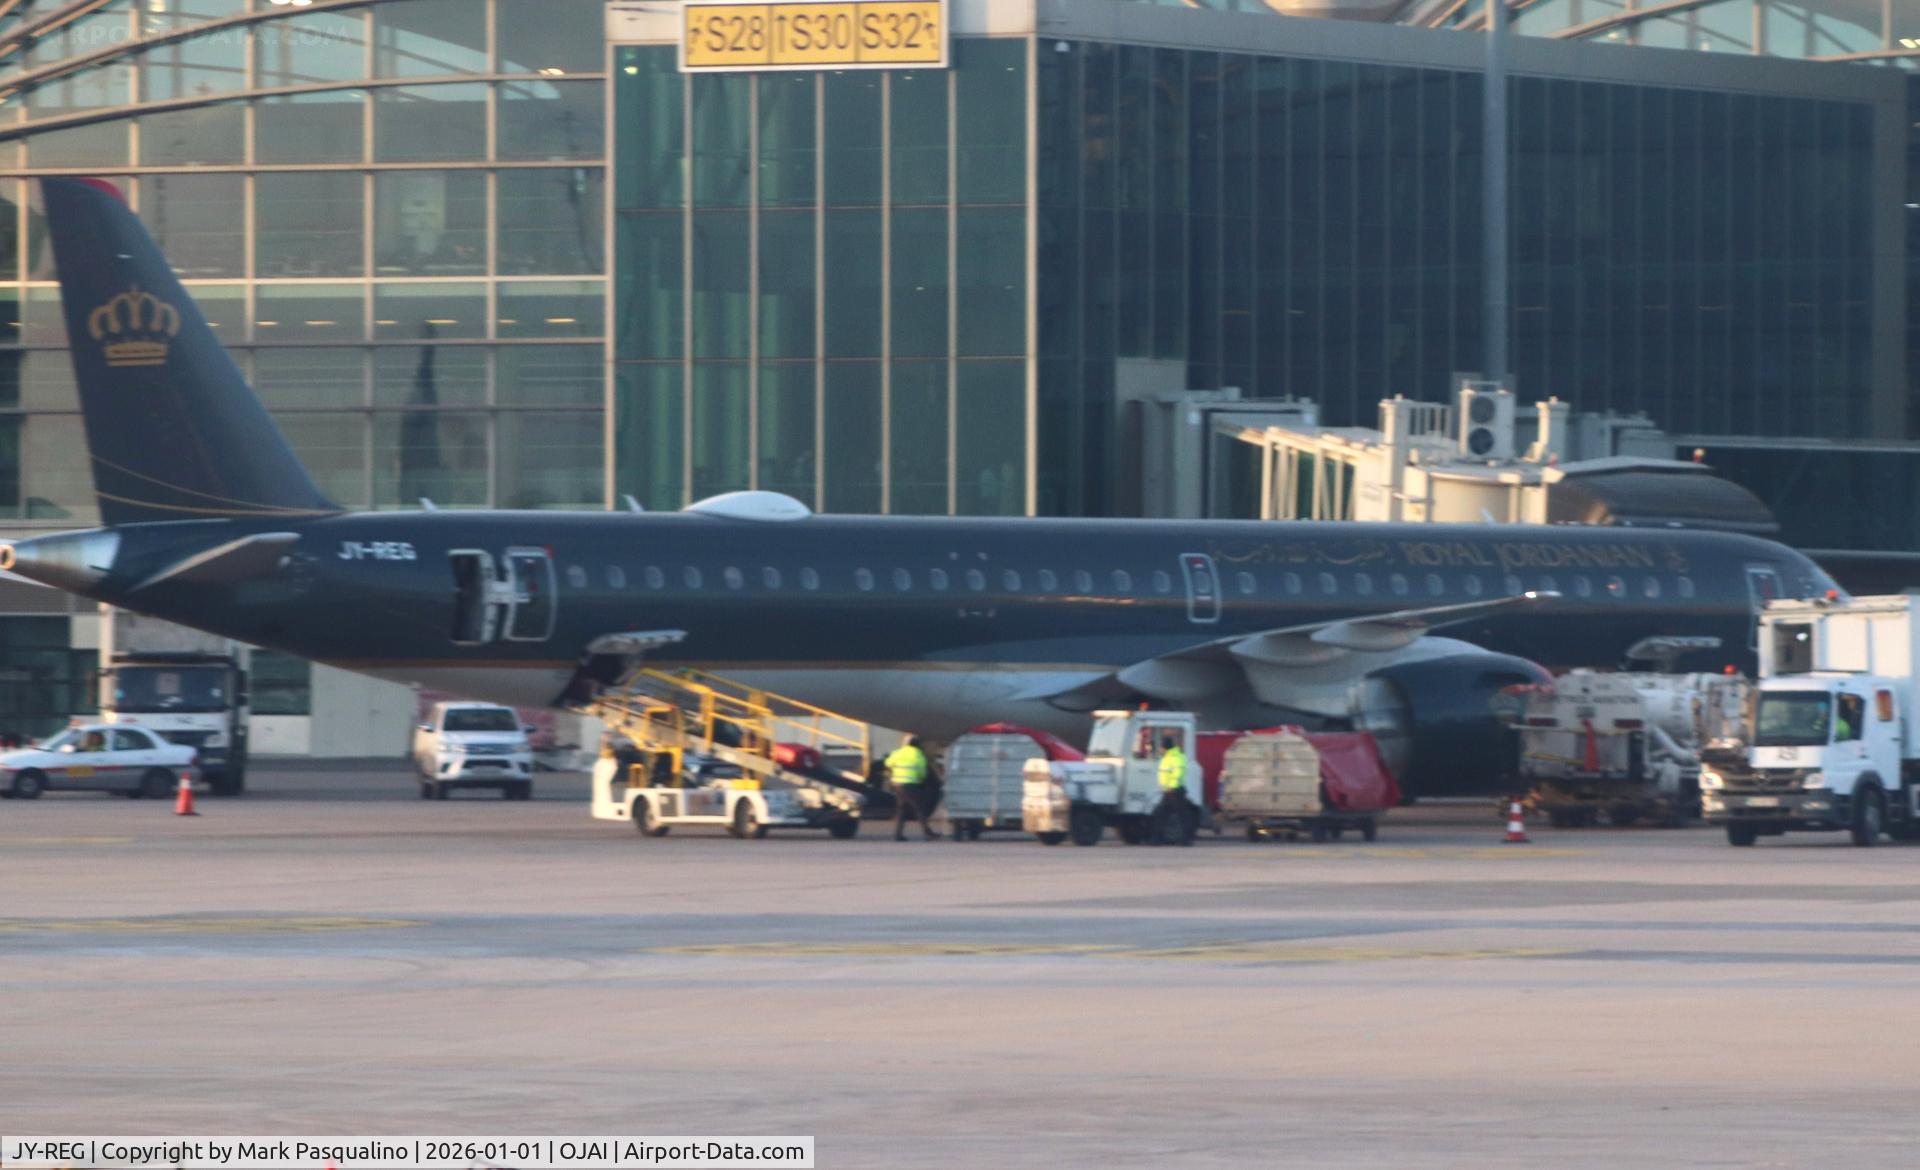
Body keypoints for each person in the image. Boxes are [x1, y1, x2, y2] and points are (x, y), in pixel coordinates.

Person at [887, 736, 940, 841]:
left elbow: (888, 763)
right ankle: (927, 832)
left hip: (896, 784)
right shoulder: (918, 754)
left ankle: (898, 834)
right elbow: (922, 771)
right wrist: (921, 780)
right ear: (917, 745)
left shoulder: (898, 752)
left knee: (902, 809)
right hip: (910, 785)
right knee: (920, 808)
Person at [1152, 734, 1194, 846]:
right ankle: (1157, 839)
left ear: (1165, 747)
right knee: (1162, 815)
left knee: (1182, 816)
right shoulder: (1167, 758)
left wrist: (1171, 786)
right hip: (1169, 791)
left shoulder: (1177, 757)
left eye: (1161, 747)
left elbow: (1178, 773)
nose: (1159, 749)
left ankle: (1186, 840)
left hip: (1175, 791)